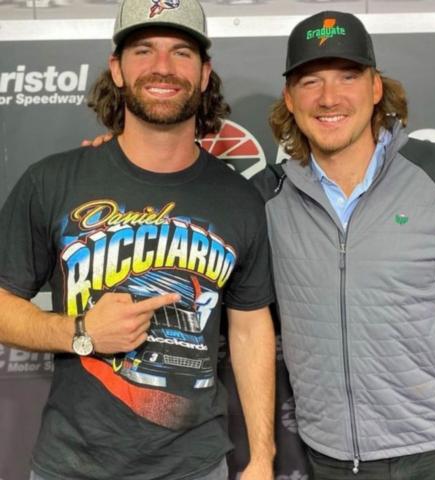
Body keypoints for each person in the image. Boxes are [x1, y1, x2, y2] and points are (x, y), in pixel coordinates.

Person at [0, 0, 276, 478]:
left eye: (182, 52)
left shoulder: (239, 198)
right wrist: (80, 332)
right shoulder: (52, 181)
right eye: (144, 50)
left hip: (195, 465)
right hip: (72, 465)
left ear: (205, 73)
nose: (162, 67)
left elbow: (250, 329)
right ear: (118, 69)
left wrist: (263, 456)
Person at [254, 10, 435, 480]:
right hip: (330, 460)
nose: (329, 97)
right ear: (290, 99)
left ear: (376, 88)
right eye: (311, 81)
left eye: (348, 77)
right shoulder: (264, 197)